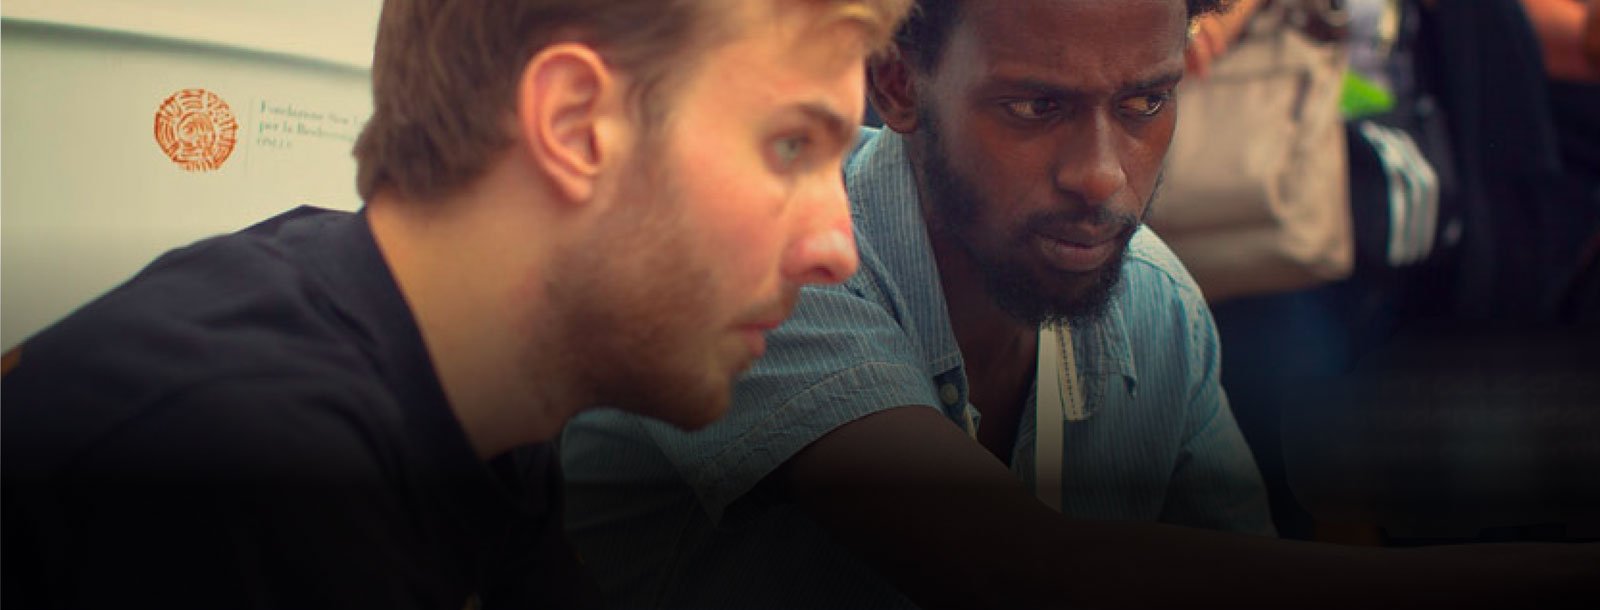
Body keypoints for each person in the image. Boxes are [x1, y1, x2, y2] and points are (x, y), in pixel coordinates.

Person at [562, 1, 1600, 608]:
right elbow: (1008, 569)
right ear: (898, 84)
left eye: (1145, 102)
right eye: (1034, 106)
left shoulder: (1157, 307)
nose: (1102, 175)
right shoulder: (772, 263)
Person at [0, 0, 911, 608]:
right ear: (576, 125)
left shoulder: (482, 407)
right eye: (791, 147)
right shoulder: (248, 467)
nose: (837, 246)